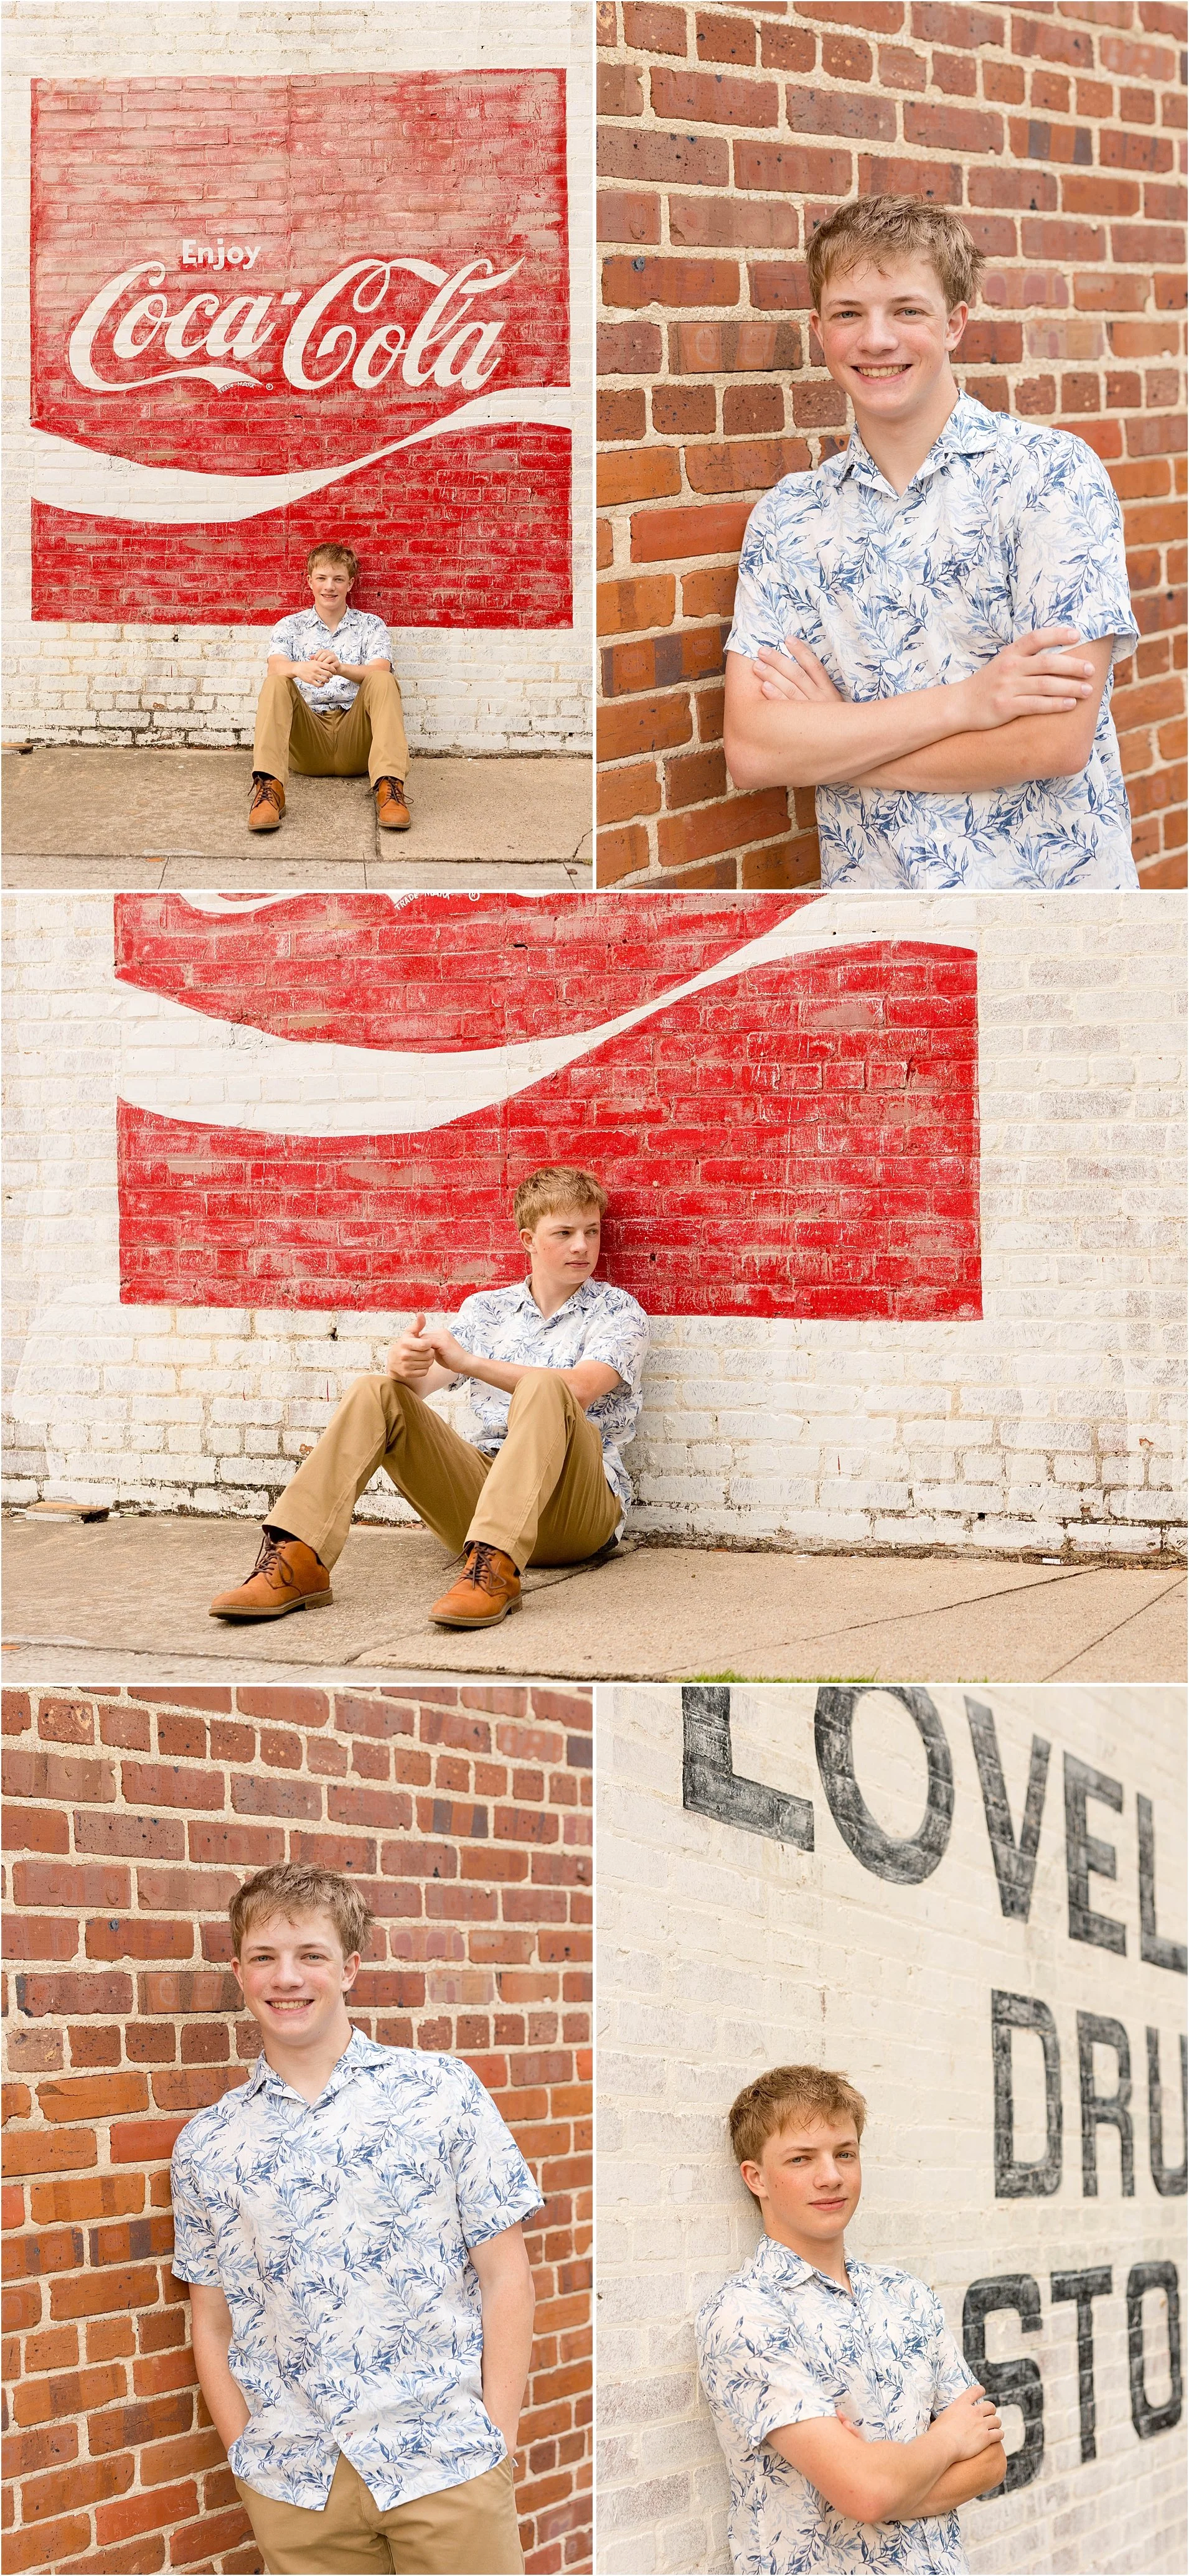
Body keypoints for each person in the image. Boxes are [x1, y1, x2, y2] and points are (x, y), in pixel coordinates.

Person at [723, 194, 1140, 889]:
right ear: (817, 330)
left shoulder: (1049, 476)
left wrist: (836, 739)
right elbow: (755, 752)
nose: (876, 339)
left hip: (1053, 920)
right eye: (848, 313)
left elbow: (1053, 741)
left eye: (906, 310)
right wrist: (966, 704)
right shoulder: (787, 518)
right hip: (877, 924)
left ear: (954, 324)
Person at [170, 1862, 540, 2576]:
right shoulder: (208, 2143)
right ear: (239, 1971)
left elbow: (506, 2277)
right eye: (264, 1957)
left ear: (350, 1968)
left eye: (310, 1954)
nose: (287, 1977)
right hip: (296, 2486)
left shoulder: (440, 2091)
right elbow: (211, 2319)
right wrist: (245, 2451)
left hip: (445, 2462)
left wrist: (494, 2437)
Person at [209, 1166, 650, 1631]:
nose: (582, 1245)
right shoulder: (486, 1310)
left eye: (592, 1231)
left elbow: (578, 1388)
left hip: (575, 1508)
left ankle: (495, 1577)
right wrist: (403, 1366)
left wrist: (471, 1363)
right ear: (528, 1240)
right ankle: (297, 1560)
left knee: (545, 1385)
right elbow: (416, 1389)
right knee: (375, 1391)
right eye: (564, 1232)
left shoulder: (619, 1311)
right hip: (483, 1499)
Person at [695, 2064, 1007, 2574]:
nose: (831, 2176)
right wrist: (948, 2439)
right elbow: (866, 2492)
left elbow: (991, 2461)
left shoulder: (907, 2295)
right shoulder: (745, 2315)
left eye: (845, 2153)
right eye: (801, 2158)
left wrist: (885, 2484)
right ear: (756, 2178)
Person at [248, 541, 411, 834]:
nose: (329, 587)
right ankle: (270, 790)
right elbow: (275, 666)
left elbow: (380, 670)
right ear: (310, 582)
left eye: (338, 579)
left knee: (383, 680)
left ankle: (390, 788)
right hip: (308, 742)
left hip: (356, 741)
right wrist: (299, 668)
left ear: (350, 583)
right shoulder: (290, 626)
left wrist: (341, 668)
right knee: (276, 683)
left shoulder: (371, 626)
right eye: (322, 578)